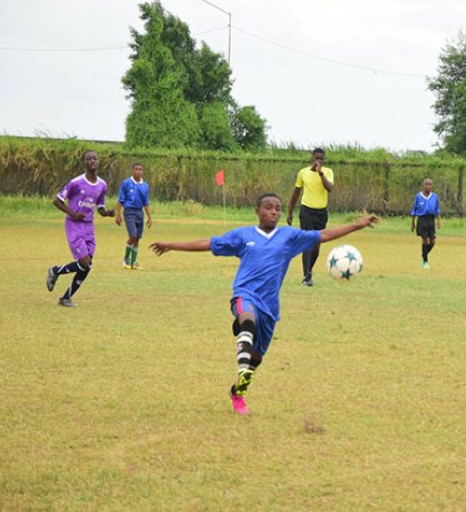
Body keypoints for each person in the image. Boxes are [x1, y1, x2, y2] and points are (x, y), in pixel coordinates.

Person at [149, 193, 379, 415]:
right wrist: (172, 245)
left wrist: (358, 225)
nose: (273, 212)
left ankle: (237, 391)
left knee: (256, 359)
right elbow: (209, 243)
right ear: (257, 211)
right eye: (268, 207)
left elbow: (324, 234)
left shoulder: (289, 237)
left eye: (277, 208)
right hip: (244, 295)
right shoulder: (243, 235)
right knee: (248, 318)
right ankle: (242, 332)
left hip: (270, 307)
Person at [46, 150, 115, 307]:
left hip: (89, 227)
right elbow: (57, 201)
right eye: (88, 159)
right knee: (84, 262)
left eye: (95, 159)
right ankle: (55, 270)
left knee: (88, 265)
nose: (92, 161)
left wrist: (108, 213)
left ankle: (65, 298)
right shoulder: (76, 182)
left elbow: (100, 207)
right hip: (74, 225)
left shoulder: (102, 185)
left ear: (99, 162)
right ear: (84, 163)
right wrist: (73, 214)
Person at [286, 148, 334, 286]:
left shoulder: (328, 172)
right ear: (311, 159)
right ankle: (306, 277)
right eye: (316, 158)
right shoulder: (303, 173)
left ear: (324, 161)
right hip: (306, 211)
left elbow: (329, 188)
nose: (318, 161)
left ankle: (309, 271)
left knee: (316, 245)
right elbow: (296, 193)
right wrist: (290, 211)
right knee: (307, 242)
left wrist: (320, 173)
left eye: (321, 159)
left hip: (321, 212)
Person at [116, 162, 152, 269]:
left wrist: (149, 217)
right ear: (132, 170)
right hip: (129, 212)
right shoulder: (126, 183)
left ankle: (134, 262)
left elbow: (146, 203)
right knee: (132, 235)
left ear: (143, 171)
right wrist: (118, 215)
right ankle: (126, 259)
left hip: (139, 212)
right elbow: (120, 200)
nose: (138, 171)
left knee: (137, 238)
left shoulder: (145, 186)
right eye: (136, 169)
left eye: (140, 169)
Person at [410, 178, 441, 269]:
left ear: (432, 186)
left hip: (431, 220)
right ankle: (425, 261)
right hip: (422, 219)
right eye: (426, 184)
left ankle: (424, 254)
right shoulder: (418, 196)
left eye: (430, 184)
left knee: (433, 241)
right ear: (423, 186)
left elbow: (437, 209)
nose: (428, 186)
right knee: (425, 240)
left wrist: (438, 220)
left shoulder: (435, 196)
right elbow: (414, 209)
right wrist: (413, 222)